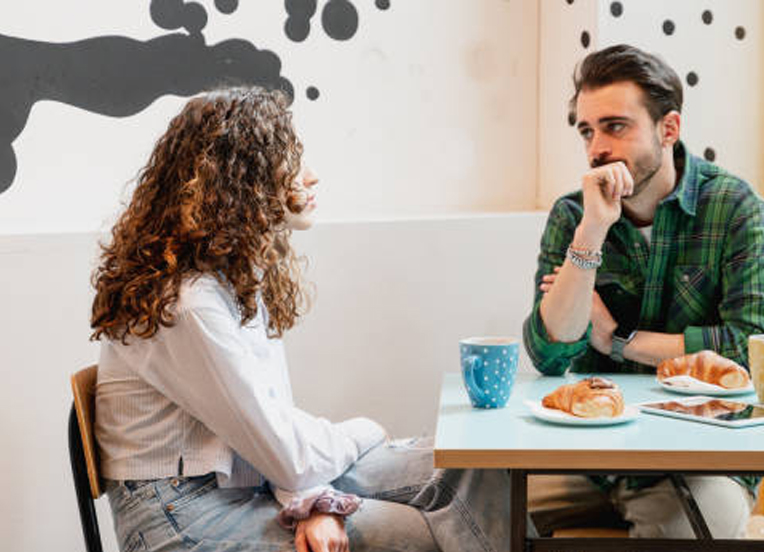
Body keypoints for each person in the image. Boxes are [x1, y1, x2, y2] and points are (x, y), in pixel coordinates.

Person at [91, 86, 511, 552]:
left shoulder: (233, 278)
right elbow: (283, 452)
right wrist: (364, 432)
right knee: (419, 535)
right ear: (240, 182)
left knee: (476, 461)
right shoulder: (191, 305)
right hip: (179, 514)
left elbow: (271, 434)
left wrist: (315, 501)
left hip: (241, 481)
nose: (310, 178)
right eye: (289, 165)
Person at [523, 45, 764, 538]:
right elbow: (550, 352)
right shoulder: (573, 214)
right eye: (586, 130)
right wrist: (592, 232)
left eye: (615, 127)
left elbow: (755, 347)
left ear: (668, 129)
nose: (597, 147)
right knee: (481, 508)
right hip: (591, 450)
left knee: (679, 533)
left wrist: (619, 341)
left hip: (701, 455)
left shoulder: (733, 207)